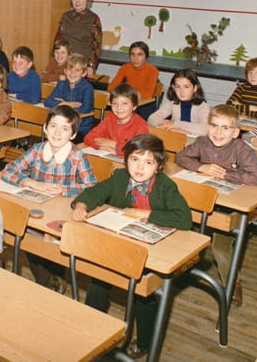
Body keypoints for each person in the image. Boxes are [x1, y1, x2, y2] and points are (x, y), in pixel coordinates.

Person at [71, 134, 191, 360]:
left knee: (144, 295)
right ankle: (92, 332)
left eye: (148, 162)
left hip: (152, 252)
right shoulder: (119, 177)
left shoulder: (166, 186)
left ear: (158, 166)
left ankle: (145, 341)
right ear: (125, 160)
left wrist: (148, 214)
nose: (140, 167)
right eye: (135, 159)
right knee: (99, 280)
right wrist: (81, 205)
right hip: (120, 245)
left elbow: (184, 218)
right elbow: (95, 192)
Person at [175, 104, 257, 307]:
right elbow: (180, 157)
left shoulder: (242, 150)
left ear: (236, 132)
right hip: (202, 202)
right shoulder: (202, 142)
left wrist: (226, 174)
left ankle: (233, 283)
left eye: (225, 128)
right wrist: (201, 167)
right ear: (207, 127)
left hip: (229, 207)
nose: (218, 132)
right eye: (214, 126)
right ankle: (181, 269)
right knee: (181, 229)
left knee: (219, 249)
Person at [3, 105, 97, 291]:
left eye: (64, 128)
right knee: (25, 235)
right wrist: (30, 182)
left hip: (62, 214)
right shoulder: (37, 149)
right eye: (53, 126)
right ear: (45, 128)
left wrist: (64, 190)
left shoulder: (77, 156)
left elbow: (92, 187)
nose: (57, 133)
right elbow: (9, 170)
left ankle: (49, 281)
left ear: (73, 134)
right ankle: (48, 281)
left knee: (48, 245)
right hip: (37, 209)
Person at [84, 83, 148, 156]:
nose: (119, 108)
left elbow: (138, 150)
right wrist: (102, 147)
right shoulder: (110, 118)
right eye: (115, 103)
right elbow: (88, 137)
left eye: (124, 103)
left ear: (134, 106)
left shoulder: (141, 125)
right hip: (106, 157)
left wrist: (113, 145)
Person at [53, 0, 102, 77]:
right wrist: (55, 59)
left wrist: (91, 65)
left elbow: (97, 45)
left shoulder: (94, 18)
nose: (77, 1)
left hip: (82, 64)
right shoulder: (65, 16)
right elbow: (58, 40)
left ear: (87, 0)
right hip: (64, 62)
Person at [44, 53, 95, 137]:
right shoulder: (61, 84)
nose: (72, 73)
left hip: (80, 128)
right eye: (69, 69)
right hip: (62, 125)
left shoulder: (87, 88)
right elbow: (48, 102)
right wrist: (67, 104)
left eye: (77, 70)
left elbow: (85, 109)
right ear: (65, 71)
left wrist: (61, 105)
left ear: (84, 73)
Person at [148, 69, 210, 136]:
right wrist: (167, 128)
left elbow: (204, 130)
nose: (181, 91)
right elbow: (152, 118)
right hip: (175, 138)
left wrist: (175, 124)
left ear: (195, 88)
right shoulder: (172, 104)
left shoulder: (203, 107)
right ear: (173, 87)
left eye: (186, 87)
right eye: (178, 87)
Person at [107, 41, 159, 120]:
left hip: (145, 105)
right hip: (128, 101)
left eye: (140, 54)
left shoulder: (152, 70)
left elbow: (148, 94)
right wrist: (133, 94)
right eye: (132, 54)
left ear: (146, 56)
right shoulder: (125, 67)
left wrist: (127, 93)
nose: (135, 58)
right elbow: (111, 88)